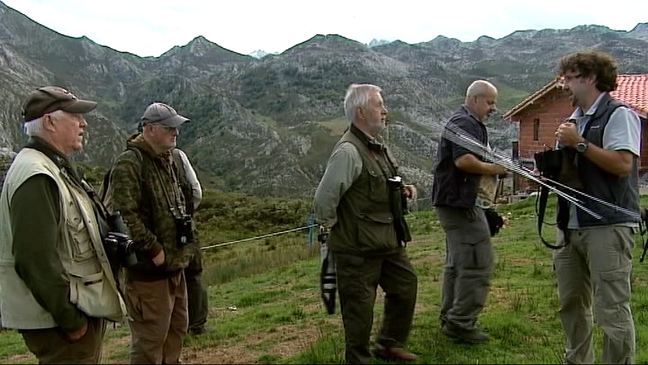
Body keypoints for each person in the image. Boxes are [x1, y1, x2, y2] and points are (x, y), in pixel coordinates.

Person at [0, 86, 127, 363]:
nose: (83, 123)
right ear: (49, 122)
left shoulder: (52, 166)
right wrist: (71, 320)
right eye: (75, 115)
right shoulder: (36, 175)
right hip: (59, 323)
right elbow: (34, 258)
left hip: (71, 313)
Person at [314, 83, 418, 364]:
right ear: (360, 112)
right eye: (378, 105)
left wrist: (402, 189)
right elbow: (324, 200)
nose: (385, 111)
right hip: (357, 249)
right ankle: (358, 360)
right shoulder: (348, 151)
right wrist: (336, 234)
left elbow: (377, 185)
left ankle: (388, 344)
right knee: (359, 311)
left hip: (387, 240)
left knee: (405, 286)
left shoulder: (375, 146)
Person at [552, 50, 640, 364]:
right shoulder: (572, 121)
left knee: (612, 307)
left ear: (590, 78)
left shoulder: (619, 115)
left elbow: (622, 164)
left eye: (569, 79)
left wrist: (580, 143)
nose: (564, 86)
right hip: (570, 225)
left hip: (608, 224)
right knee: (571, 303)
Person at [104, 102, 196, 364]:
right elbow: (124, 214)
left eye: (175, 127)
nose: (175, 132)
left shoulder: (170, 160)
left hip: (175, 265)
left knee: (177, 329)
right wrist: (153, 249)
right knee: (150, 341)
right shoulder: (129, 163)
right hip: (148, 272)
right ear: (149, 129)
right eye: (169, 127)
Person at [431, 80, 506, 344]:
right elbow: (464, 161)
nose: (493, 108)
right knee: (477, 260)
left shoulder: (465, 122)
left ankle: (450, 317)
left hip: (452, 202)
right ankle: (461, 323)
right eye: (489, 102)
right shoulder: (465, 123)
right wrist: (496, 168)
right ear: (474, 99)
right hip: (459, 203)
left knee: (457, 263)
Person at [176, 149, 211, 336]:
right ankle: (196, 324)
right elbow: (196, 192)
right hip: (185, 225)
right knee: (194, 273)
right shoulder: (178, 156)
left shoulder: (130, 159)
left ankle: (174, 327)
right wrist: (186, 214)